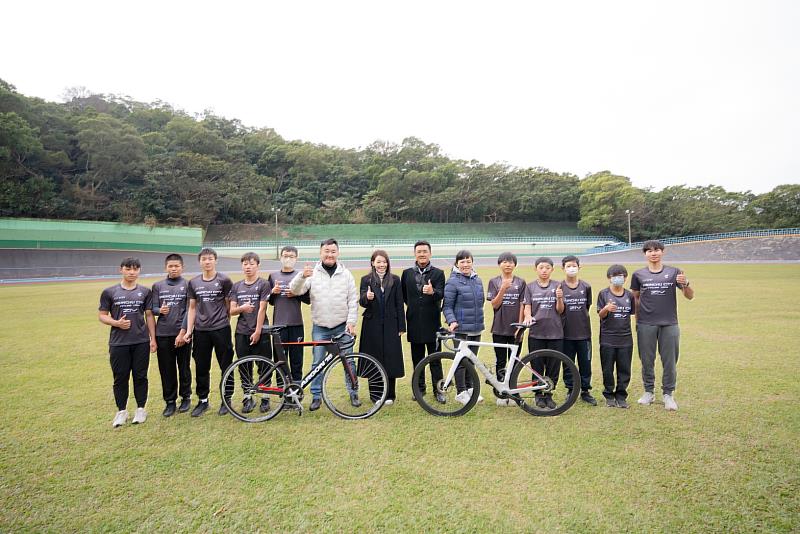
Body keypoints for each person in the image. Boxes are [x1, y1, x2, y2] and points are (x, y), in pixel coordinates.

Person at [290, 239, 359, 411]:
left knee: (349, 362)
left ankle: (353, 392)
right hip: (320, 327)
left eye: (333, 251)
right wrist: (302, 276)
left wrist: (351, 322)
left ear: (338, 253)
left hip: (342, 326)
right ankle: (316, 396)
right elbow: (295, 290)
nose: (329, 254)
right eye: (326, 251)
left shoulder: (346, 274)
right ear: (321, 253)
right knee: (317, 363)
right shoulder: (312, 273)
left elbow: (353, 300)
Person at [631, 240, 694, 411]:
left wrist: (686, 283)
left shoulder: (674, 272)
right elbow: (635, 298)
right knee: (646, 360)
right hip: (646, 324)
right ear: (645, 254)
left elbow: (689, 296)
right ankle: (648, 392)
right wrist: (637, 322)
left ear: (662, 252)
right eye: (649, 250)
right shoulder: (638, 275)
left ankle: (668, 394)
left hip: (669, 323)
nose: (653, 253)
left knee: (670, 361)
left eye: (657, 250)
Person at [98, 257, 157, 427]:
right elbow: (102, 315)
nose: (132, 272)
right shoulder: (109, 292)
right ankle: (121, 411)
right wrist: (116, 323)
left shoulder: (145, 292)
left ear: (139, 271)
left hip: (140, 341)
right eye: (128, 269)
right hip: (118, 343)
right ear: (121, 270)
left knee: (140, 376)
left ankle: (140, 409)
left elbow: (149, 316)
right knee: (120, 377)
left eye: (135, 269)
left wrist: (152, 339)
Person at [183, 248, 234, 417]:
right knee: (201, 366)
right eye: (204, 259)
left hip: (221, 329)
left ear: (215, 260)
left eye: (210, 258)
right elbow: (192, 307)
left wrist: (225, 322)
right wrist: (189, 330)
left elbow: (228, 306)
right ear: (200, 262)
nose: (207, 261)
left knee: (226, 365)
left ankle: (226, 400)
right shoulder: (194, 283)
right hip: (201, 331)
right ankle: (203, 401)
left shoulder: (224, 280)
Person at [401, 240, 446, 403]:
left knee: (435, 358)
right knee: (417, 358)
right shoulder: (406, 273)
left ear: (430, 253)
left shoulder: (438, 273)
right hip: (414, 321)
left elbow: (441, 294)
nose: (422, 254)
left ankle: (438, 390)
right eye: (419, 251)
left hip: (432, 322)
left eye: (425, 251)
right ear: (414, 254)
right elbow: (405, 296)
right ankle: (419, 389)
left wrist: (432, 292)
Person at [358, 250, 406, 404]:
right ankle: (376, 395)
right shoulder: (366, 280)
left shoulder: (395, 280)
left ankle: (390, 394)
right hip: (372, 325)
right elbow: (362, 301)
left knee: (391, 358)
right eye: (378, 261)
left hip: (391, 325)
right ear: (372, 263)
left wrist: (401, 326)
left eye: (384, 261)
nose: (381, 265)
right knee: (374, 358)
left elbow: (399, 304)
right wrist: (367, 297)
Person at [229, 252, 272, 414]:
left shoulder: (263, 284)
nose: (248, 267)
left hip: (261, 332)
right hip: (241, 332)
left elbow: (262, 308)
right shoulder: (236, 286)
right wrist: (242, 308)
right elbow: (232, 310)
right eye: (245, 264)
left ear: (257, 266)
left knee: (264, 365)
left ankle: (265, 398)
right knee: (244, 366)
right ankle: (248, 397)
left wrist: (258, 330)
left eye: (251, 264)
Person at [151, 254, 192, 417]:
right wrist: (159, 310)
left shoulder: (188, 285)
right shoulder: (157, 286)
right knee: (166, 369)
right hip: (163, 334)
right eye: (170, 266)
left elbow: (190, 310)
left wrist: (183, 333)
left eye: (176, 266)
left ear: (182, 267)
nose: (173, 269)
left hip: (182, 334)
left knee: (184, 367)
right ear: (165, 268)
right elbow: (152, 308)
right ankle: (170, 402)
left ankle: (186, 398)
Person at [521, 257, 565, 410]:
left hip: (555, 333)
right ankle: (539, 396)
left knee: (553, 366)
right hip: (536, 333)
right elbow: (527, 306)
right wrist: (527, 316)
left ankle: (549, 394)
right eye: (541, 267)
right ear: (536, 269)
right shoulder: (530, 287)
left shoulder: (558, 285)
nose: (544, 270)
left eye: (547, 267)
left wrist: (559, 298)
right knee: (537, 366)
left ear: (552, 269)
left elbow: (560, 310)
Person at [442, 249, 485, 405]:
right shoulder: (452, 281)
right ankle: (461, 392)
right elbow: (447, 306)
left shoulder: (477, 280)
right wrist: (452, 321)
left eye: (468, 261)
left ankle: (471, 389)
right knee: (461, 362)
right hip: (460, 329)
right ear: (457, 263)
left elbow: (481, 303)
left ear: (472, 262)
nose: (466, 264)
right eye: (462, 262)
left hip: (476, 328)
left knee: (471, 361)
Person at [486, 252, 526, 406]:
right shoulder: (494, 282)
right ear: (499, 264)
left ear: (515, 265)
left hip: (516, 329)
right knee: (501, 361)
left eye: (511, 262)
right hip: (499, 328)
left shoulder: (521, 282)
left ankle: (513, 392)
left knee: (514, 362)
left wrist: (520, 326)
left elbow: (523, 304)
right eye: (504, 262)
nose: (508, 264)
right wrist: (502, 289)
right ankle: (502, 393)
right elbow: (494, 305)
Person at [267, 246, 310, 386]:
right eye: (285, 256)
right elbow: (270, 302)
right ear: (280, 257)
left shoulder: (301, 276)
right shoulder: (273, 276)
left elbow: (308, 300)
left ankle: (296, 390)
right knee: (280, 360)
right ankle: (283, 393)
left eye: (291, 256)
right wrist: (273, 292)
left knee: (297, 359)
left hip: (296, 324)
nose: (288, 259)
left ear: (296, 258)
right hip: (279, 325)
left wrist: (297, 293)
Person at [597, 264, 635, 408]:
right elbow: (600, 315)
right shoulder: (604, 294)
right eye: (615, 276)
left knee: (624, 368)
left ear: (625, 278)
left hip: (625, 338)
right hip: (608, 338)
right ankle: (609, 395)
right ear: (609, 278)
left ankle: (621, 396)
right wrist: (606, 309)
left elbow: (632, 313)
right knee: (607, 368)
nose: (618, 279)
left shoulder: (629, 295)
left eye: (621, 276)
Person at [560, 255, 596, 406]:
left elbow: (586, 308)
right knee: (568, 362)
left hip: (584, 333)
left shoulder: (586, 287)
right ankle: (571, 389)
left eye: (574, 265)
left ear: (579, 267)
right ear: (563, 268)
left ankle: (585, 391)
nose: (571, 268)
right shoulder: (559, 287)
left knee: (585, 362)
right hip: (565, 333)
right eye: (568, 266)